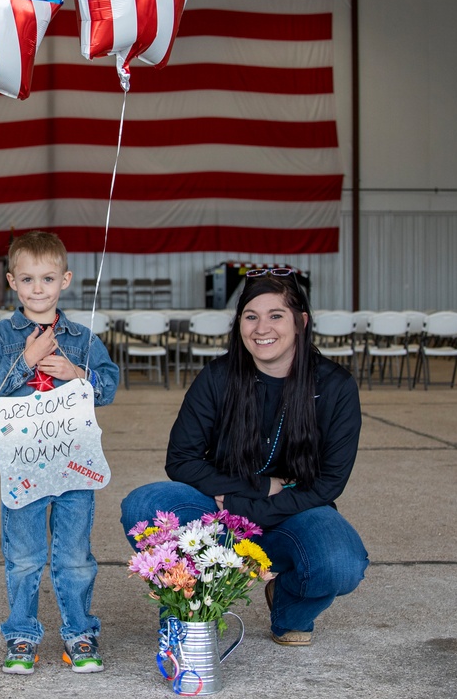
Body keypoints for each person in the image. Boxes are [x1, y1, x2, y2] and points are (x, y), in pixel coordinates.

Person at [120, 269, 368, 646]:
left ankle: (289, 609)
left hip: (295, 509)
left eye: (276, 315)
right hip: (218, 503)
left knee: (339, 562)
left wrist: (247, 509)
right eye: (250, 316)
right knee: (145, 505)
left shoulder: (334, 386)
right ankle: (188, 612)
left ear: (301, 322)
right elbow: (181, 459)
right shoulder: (218, 377)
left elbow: (329, 483)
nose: (260, 327)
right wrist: (255, 488)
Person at [0, 230, 120, 675]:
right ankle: (22, 633)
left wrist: (77, 372)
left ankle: (79, 632)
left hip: (74, 464)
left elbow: (108, 387)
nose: (39, 289)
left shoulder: (81, 337)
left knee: (74, 555)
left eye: (48, 278)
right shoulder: (1, 336)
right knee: (25, 555)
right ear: (12, 282)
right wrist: (27, 360)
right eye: (29, 279)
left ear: (65, 280)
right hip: (23, 467)